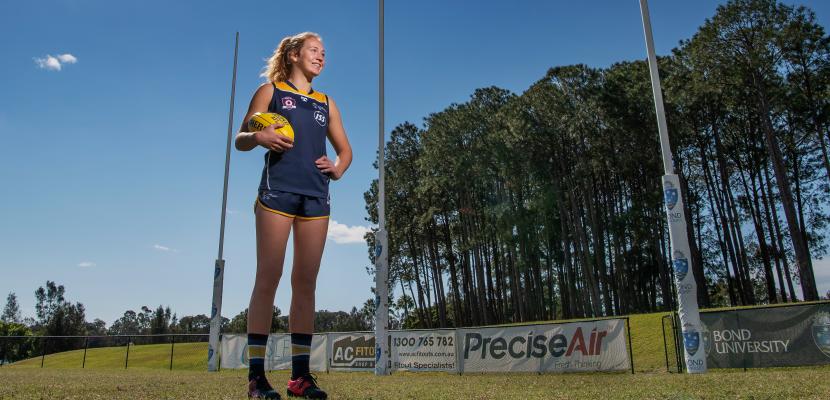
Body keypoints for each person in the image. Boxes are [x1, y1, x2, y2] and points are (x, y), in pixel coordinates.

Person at [235, 31, 352, 400]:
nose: (321, 57)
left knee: (305, 283)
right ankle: (256, 378)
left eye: (324, 52)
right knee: (268, 276)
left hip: (316, 197)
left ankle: (299, 378)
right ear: (294, 55)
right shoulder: (271, 91)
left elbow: (346, 151)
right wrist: (259, 137)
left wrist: (337, 168)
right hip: (276, 193)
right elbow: (241, 137)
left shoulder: (326, 102)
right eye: (314, 51)